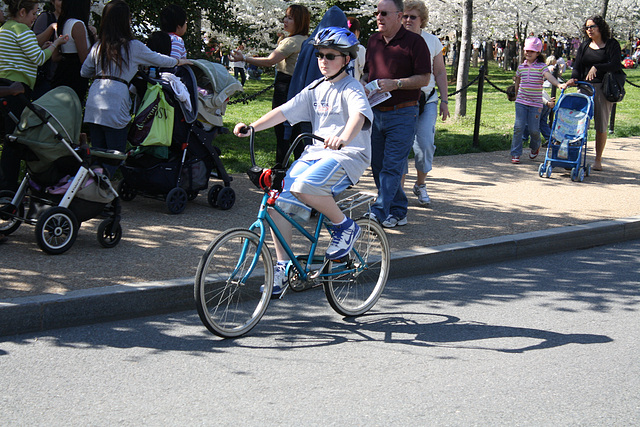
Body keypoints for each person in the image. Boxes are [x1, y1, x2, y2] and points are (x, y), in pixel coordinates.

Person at [234, 27, 372, 296]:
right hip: (316, 154)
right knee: (277, 203)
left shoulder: (351, 87)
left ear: (346, 59)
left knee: (305, 186)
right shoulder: (316, 87)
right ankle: (284, 267)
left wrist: (343, 137)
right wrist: (252, 127)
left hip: (347, 155)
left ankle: (345, 227)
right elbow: (283, 112)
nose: (324, 61)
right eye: (320, 55)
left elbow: (358, 116)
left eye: (331, 56)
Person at [80, 0, 190, 175]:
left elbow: (84, 72)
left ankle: (92, 190)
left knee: (98, 153)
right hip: (115, 101)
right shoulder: (133, 46)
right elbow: (159, 59)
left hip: (95, 100)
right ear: (126, 21)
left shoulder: (99, 46)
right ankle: (102, 187)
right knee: (115, 154)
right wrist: (179, 61)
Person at [362, 0, 431, 228]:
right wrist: (363, 86)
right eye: (377, 13)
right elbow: (366, 74)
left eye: (384, 13)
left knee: (392, 165)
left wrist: (397, 83)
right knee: (378, 166)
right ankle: (399, 210)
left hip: (403, 113)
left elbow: (424, 78)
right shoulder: (373, 41)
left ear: (398, 15)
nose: (378, 17)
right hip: (376, 112)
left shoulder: (415, 42)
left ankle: (379, 211)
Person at [0, 0, 68, 191]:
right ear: (22, 12)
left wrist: (44, 46)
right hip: (17, 89)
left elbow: (22, 54)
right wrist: (56, 43)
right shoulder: (22, 30)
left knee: (7, 135)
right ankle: (7, 187)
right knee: (13, 139)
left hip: (3, 85)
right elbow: (38, 58)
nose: (34, 18)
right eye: (33, 13)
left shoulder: (5, 28)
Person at [230, 4, 310, 165]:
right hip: (299, 88)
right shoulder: (308, 40)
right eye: (285, 17)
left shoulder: (291, 41)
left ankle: (279, 172)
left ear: (299, 21)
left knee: (282, 133)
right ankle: (303, 169)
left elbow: (270, 61)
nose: (285, 21)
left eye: (290, 18)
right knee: (295, 133)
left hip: (285, 87)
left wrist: (244, 58)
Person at [401, 0, 449, 206]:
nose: (408, 20)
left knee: (425, 145)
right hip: (402, 100)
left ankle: (420, 184)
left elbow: (439, 71)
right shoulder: (396, 39)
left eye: (413, 17)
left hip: (427, 100)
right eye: (405, 16)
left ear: (422, 20)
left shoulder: (432, 41)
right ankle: (396, 191)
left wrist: (445, 101)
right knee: (399, 145)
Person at [566, 15, 622, 171]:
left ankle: (598, 159)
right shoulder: (584, 46)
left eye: (592, 27)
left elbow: (615, 64)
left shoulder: (611, 45)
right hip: (584, 88)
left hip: (602, 89)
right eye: (587, 27)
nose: (589, 30)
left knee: (601, 124)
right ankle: (574, 156)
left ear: (600, 27)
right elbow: (577, 66)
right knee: (577, 124)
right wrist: (573, 79)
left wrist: (598, 67)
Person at [510, 37, 565, 164]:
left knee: (534, 130)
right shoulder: (521, 67)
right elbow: (518, 81)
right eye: (527, 50)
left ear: (538, 53)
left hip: (535, 103)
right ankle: (516, 153)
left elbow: (549, 76)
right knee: (518, 127)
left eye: (532, 51)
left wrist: (558, 84)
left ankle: (535, 147)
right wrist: (517, 95)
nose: (528, 53)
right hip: (521, 102)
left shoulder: (541, 67)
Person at [52, 0, 95, 102]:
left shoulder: (62, 23)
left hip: (62, 72)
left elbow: (55, 56)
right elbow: (84, 58)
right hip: (75, 77)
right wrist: (95, 41)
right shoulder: (77, 25)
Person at [32, 0, 62, 99]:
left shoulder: (77, 22)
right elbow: (33, 44)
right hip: (46, 79)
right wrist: (51, 29)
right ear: (53, 2)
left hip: (64, 78)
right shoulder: (46, 18)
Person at [346, 16, 366, 82]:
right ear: (356, 32)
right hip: (355, 86)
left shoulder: (337, 49)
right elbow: (364, 70)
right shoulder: (359, 49)